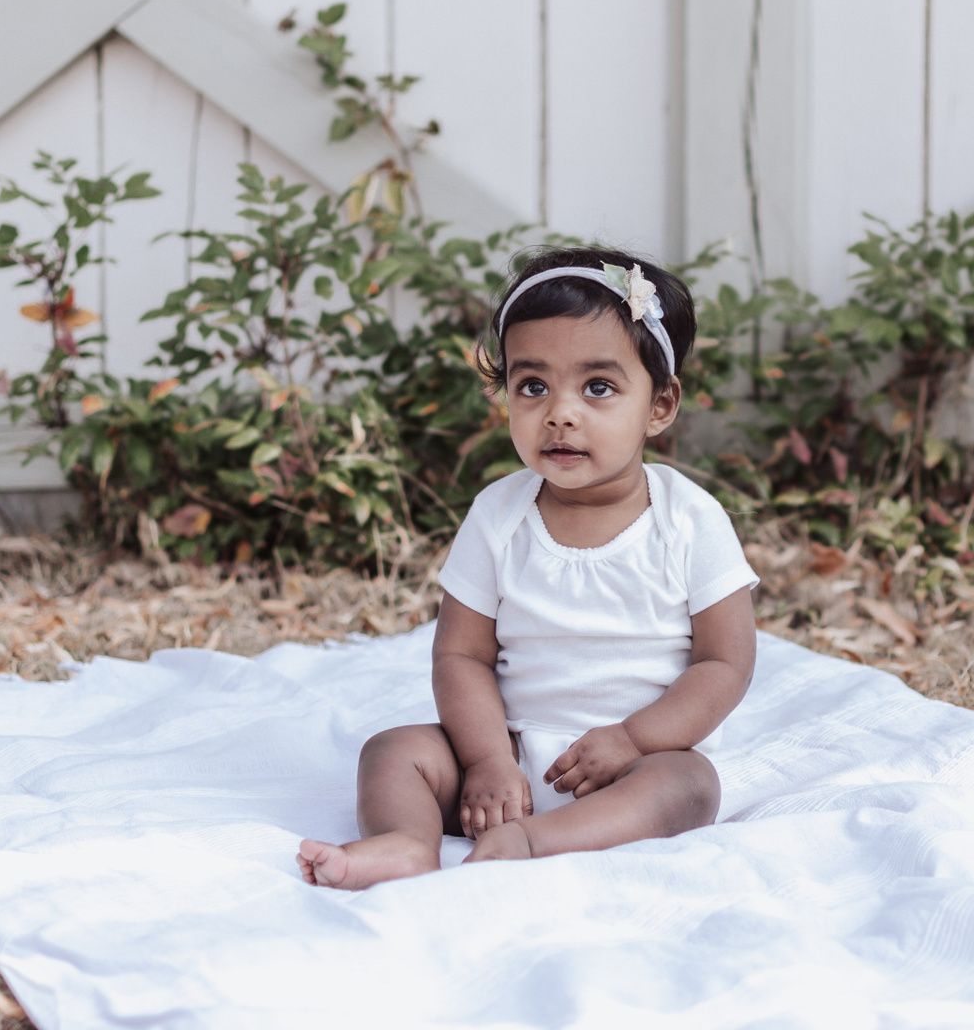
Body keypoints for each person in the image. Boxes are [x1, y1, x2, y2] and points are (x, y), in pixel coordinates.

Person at [297, 247, 759, 888]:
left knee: (689, 785)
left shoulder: (689, 519)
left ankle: (534, 843)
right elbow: (461, 655)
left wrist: (633, 739)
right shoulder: (499, 515)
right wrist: (486, 759)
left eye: (598, 388)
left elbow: (724, 664)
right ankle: (404, 842)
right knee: (394, 751)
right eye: (533, 386)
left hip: (632, 761)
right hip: (508, 759)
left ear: (659, 404)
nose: (560, 412)